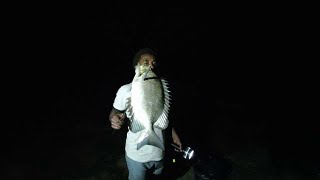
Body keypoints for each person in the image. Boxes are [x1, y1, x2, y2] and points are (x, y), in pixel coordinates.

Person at [109, 48, 182, 180]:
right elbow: (115, 112)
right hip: (136, 154)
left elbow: (164, 115)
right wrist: (114, 119)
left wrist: (174, 134)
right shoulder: (125, 90)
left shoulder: (161, 86)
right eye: (146, 62)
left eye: (154, 63)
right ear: (136, 66)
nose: (151, 65)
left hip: (159, 151)